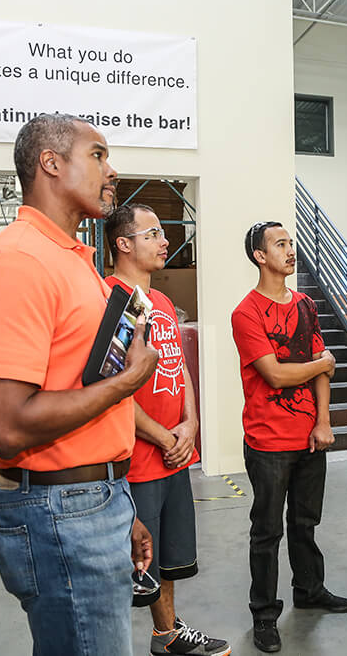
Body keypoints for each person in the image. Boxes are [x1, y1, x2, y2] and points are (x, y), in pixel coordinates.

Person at [0, 113, 159, 656]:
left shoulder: (75, 262)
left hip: (90, 501)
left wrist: (119, 505)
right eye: (98, 154)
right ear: (50, 163)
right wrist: (128, 383)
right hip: (59, 512)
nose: (111, 169)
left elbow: (75, 389)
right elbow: (6, 427)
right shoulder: (18, 262)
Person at [104, 202, 231, 656]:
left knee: (169, 559)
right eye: (153, 234)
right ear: (123, 243)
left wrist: (192, 423)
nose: (165, 241)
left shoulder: (159, 302)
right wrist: (163, 436)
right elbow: (112, 391)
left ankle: (168, 635)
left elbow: (179, 369)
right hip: (135, 461)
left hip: (174, 452)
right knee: (129, 568)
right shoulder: (110, 301)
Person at [231, 221, 347, 654]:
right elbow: (276, 374)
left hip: (308, 438)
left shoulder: (305, 305)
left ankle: (310, 589)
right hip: (267, 441)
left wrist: (323, 421)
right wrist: (321, 365)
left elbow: (323, 365)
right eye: (280, 244)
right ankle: (264, 614)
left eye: (291, 243)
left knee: (305, 523)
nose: (290, 249)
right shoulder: (246, 312)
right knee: (266, 532)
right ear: (260, 256)